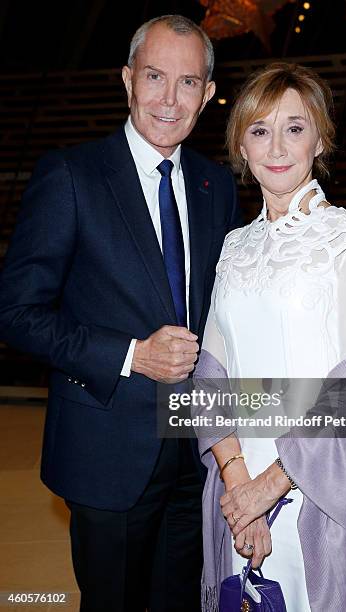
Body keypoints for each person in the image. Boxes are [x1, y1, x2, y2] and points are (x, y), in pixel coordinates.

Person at [0, 14, 240, 612]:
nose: (168, 98)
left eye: (188, 83)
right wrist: (132, 355)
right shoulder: (72, 175)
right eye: (155, 76)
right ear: (128, 78)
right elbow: (16, 311)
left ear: (208, 95)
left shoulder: (218, 186)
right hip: (106, 450)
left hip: (195, 450)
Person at [195, 62, 346, 611]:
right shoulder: (234, 247)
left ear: (320, 138)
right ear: (241, 144)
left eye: (294, 127)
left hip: (317, 492)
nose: (276, 146)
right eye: (259, 130)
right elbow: (209, 377)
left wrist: (269, 487)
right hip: (235, 493)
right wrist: (239, 485)